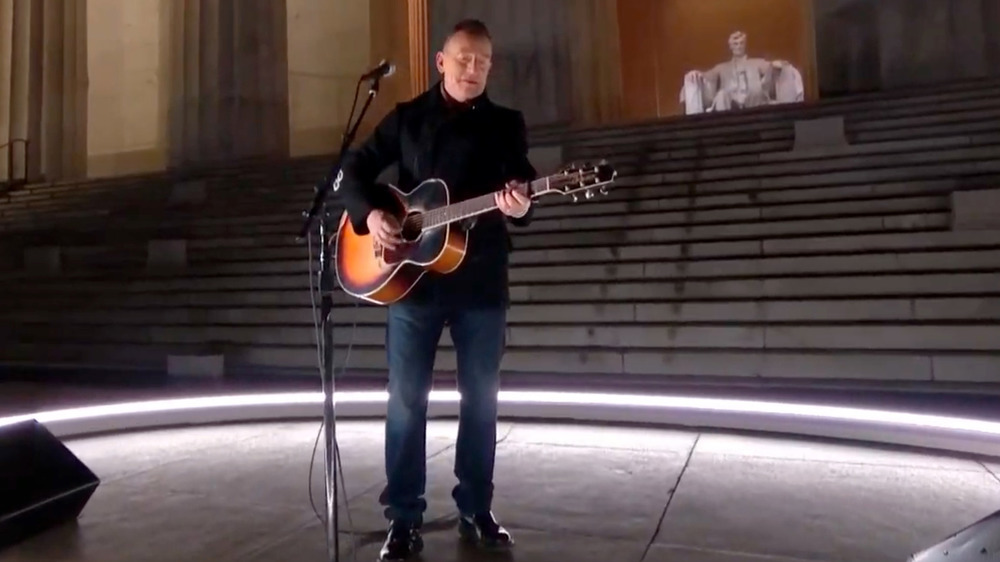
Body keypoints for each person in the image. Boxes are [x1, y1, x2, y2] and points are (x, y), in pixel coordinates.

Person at [336, 18, 536, 562]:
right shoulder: (406, 118)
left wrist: (522, 202)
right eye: (463, 59)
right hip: (411, 282)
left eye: (483, 62)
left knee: (481, 401)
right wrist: (372, 213)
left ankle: (476, 507)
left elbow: (522, 186)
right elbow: (352, 169)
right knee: (405, 401)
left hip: (480, 281)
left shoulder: (505, 124)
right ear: (441, 61)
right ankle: (403, 518)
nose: (473, 70)